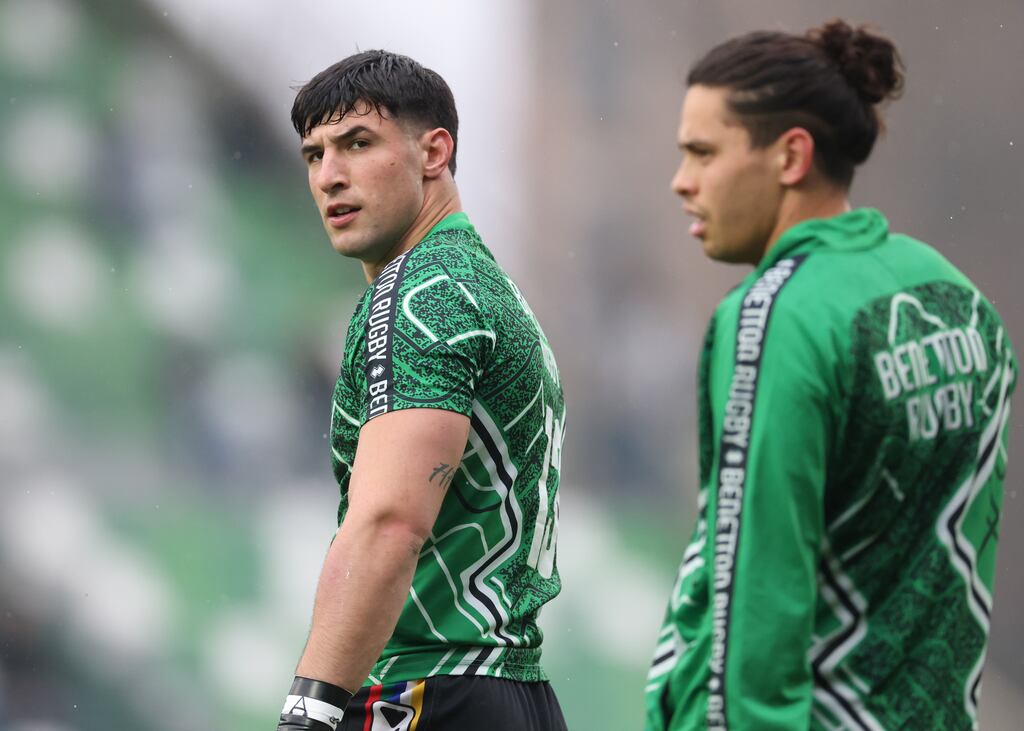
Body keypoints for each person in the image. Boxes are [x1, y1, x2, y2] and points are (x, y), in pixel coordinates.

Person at [645, 20, 1016, 731]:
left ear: (790, 155)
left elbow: (756, 599)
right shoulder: (959, 298)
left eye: (702, 152)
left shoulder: (774, 316)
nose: (681, 182)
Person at [276, 51, 567, 731]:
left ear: (434, 151)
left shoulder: (422, 293)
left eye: (357, 143)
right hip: (513, 689)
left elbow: (390, 523)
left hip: (427, 690)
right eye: (313, 155)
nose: (330, 176)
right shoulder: (488, 285)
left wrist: (309, 710)